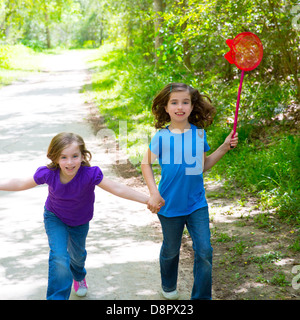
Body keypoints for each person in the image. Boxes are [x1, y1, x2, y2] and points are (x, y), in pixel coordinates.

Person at [0, 132, 150, 300]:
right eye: (63, 157)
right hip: (54, 217)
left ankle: (78, 276)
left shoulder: (90, 174)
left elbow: (118, 188)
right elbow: (20, 183)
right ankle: (57, 297)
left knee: (77, 256)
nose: (70, 162)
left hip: (80, 221)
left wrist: (148, 200)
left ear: (83, 156)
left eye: (74, 156)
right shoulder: (48, 173)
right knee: (59, 256)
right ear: (55, 158)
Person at [141, 83, 238, 300]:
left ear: (192, 106)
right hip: (169, 203)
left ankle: (202, 297)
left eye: (185, 102)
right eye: (174, 102)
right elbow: (145, 164)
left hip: (196, 204)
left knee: (204, 251)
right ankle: (168, 285)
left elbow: (202, 166)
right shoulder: (161, 137)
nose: (180, 107)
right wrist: (154, 193)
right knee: (171, 250)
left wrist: (223, 147)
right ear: (165, 108)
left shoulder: (198, 134)